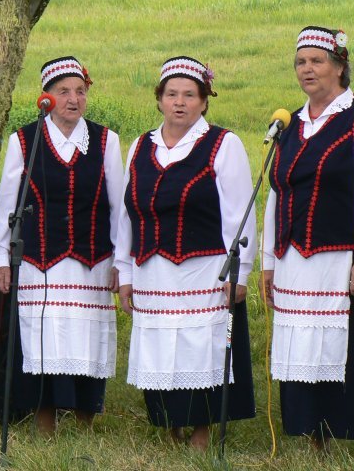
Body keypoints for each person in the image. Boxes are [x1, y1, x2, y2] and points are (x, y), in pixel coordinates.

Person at [260, 27, 354, 450]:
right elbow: (275, 191)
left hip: (342, 256)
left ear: (340, 66)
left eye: (317, 60)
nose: (307, 69)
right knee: (303, 348)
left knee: (352, 348)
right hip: (293, 258)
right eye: (301, 62)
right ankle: (313, 435)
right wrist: (268, 259)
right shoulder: (289, 124)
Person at [114, 56, 256, 450]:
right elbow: (127, 214)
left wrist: (240, 274)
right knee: (162, 349)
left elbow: (241, 216)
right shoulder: (141, 145)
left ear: (204, 102)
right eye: (172, 94)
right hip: (152, 271)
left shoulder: (223, 144)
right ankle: (170, 422)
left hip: (204, 268)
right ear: (159, 100)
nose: (180, 103)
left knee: (199, 350)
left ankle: (201, 430)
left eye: (190, 95)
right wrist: (124, 272)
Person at [0, 56, 122, 433]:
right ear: (46, 98)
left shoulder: (105, 140)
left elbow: (119, 207)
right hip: (39, 261)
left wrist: (121, 260)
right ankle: (44, 420)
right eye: (63, 91)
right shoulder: (24, 141)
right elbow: (7, 205)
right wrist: (1, 258)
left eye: (80, 91)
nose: (73, 99)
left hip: (92, 260)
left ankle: (85, 421)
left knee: (87, 342)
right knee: (44, 342)